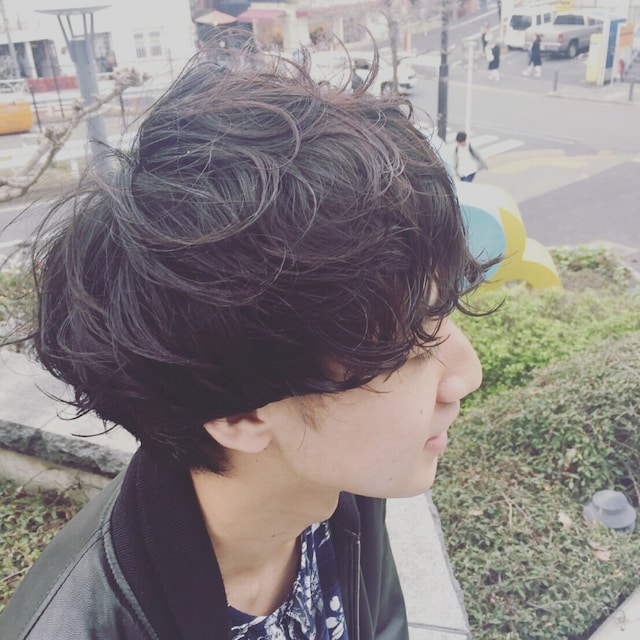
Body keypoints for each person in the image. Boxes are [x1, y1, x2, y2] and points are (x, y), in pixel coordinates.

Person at [0, 49, 492, 640]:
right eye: (410, 352)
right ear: (240, 414)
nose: (467, 374)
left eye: (443, 318)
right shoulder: (75, 625)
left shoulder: (335, 485)